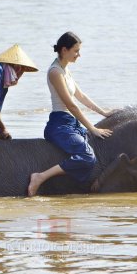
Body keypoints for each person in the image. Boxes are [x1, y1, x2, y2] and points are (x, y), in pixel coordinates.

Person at [27, 32, 114, 197]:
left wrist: (104, 112)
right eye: (76, 51)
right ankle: (40, 177)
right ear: (64, 50)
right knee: (87, 157)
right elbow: (71, 105)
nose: (79, 55)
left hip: (72, 124)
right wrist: (92, 128)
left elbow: (81, 96)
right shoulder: (55, 72)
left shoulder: (65, 70)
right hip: (60, 125)